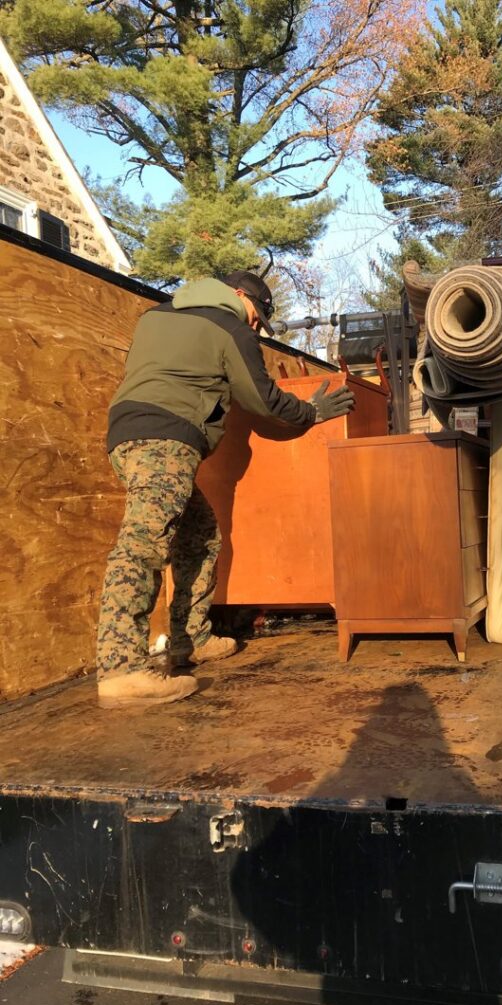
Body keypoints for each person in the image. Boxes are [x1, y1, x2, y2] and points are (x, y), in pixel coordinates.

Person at [96, 270, 355, 709]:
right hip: (166, 440)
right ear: (238, 295)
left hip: (128, 434)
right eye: (257, 316)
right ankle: (121, 670)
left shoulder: (156, 317)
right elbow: (262, 398)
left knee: (199, 534)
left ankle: (190, 639)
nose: (255, 326)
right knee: (143, 544)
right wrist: (311, 412)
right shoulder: (229, 327)